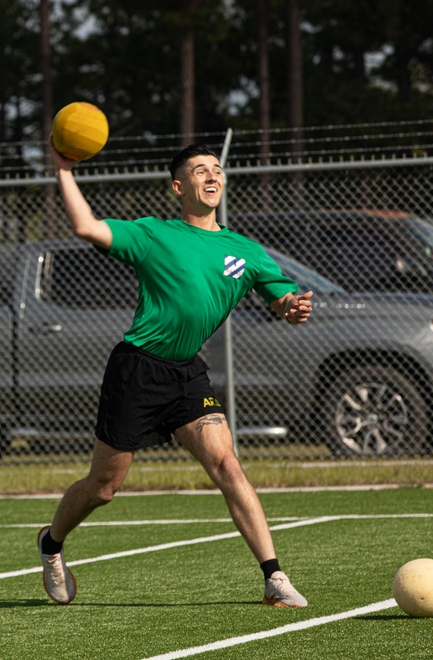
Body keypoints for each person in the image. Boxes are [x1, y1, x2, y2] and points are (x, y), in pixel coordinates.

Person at [37, 142, 313, 608]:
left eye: (218, 169)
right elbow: (85, 226)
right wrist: (64, 169)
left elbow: (282, 301)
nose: (212, 176)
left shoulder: (245, 250)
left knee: (227, 465)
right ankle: (52, 543)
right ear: (178, 187)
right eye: (200, 170)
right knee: (103, 488)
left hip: (188, 373)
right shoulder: (153, 235)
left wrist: (293, 307)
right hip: (137, 371)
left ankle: (274, 577)